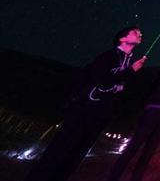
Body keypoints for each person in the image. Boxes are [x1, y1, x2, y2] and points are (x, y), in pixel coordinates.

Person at [25, 26, 147, 181]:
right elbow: (101, 82)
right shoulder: (107, 57)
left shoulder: (130, 61)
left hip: (101, 114)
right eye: (135, 32)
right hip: (84, 110)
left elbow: (120, 87)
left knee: (77, 154)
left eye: (140, 33)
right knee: (60, 150)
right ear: (122, 39)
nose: (140, 34)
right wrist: (130, 71)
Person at [107, 47, 160, 181]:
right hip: (154, 109)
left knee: (150, 149)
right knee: (135, 144)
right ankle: (114, 176)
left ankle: (135, 177)